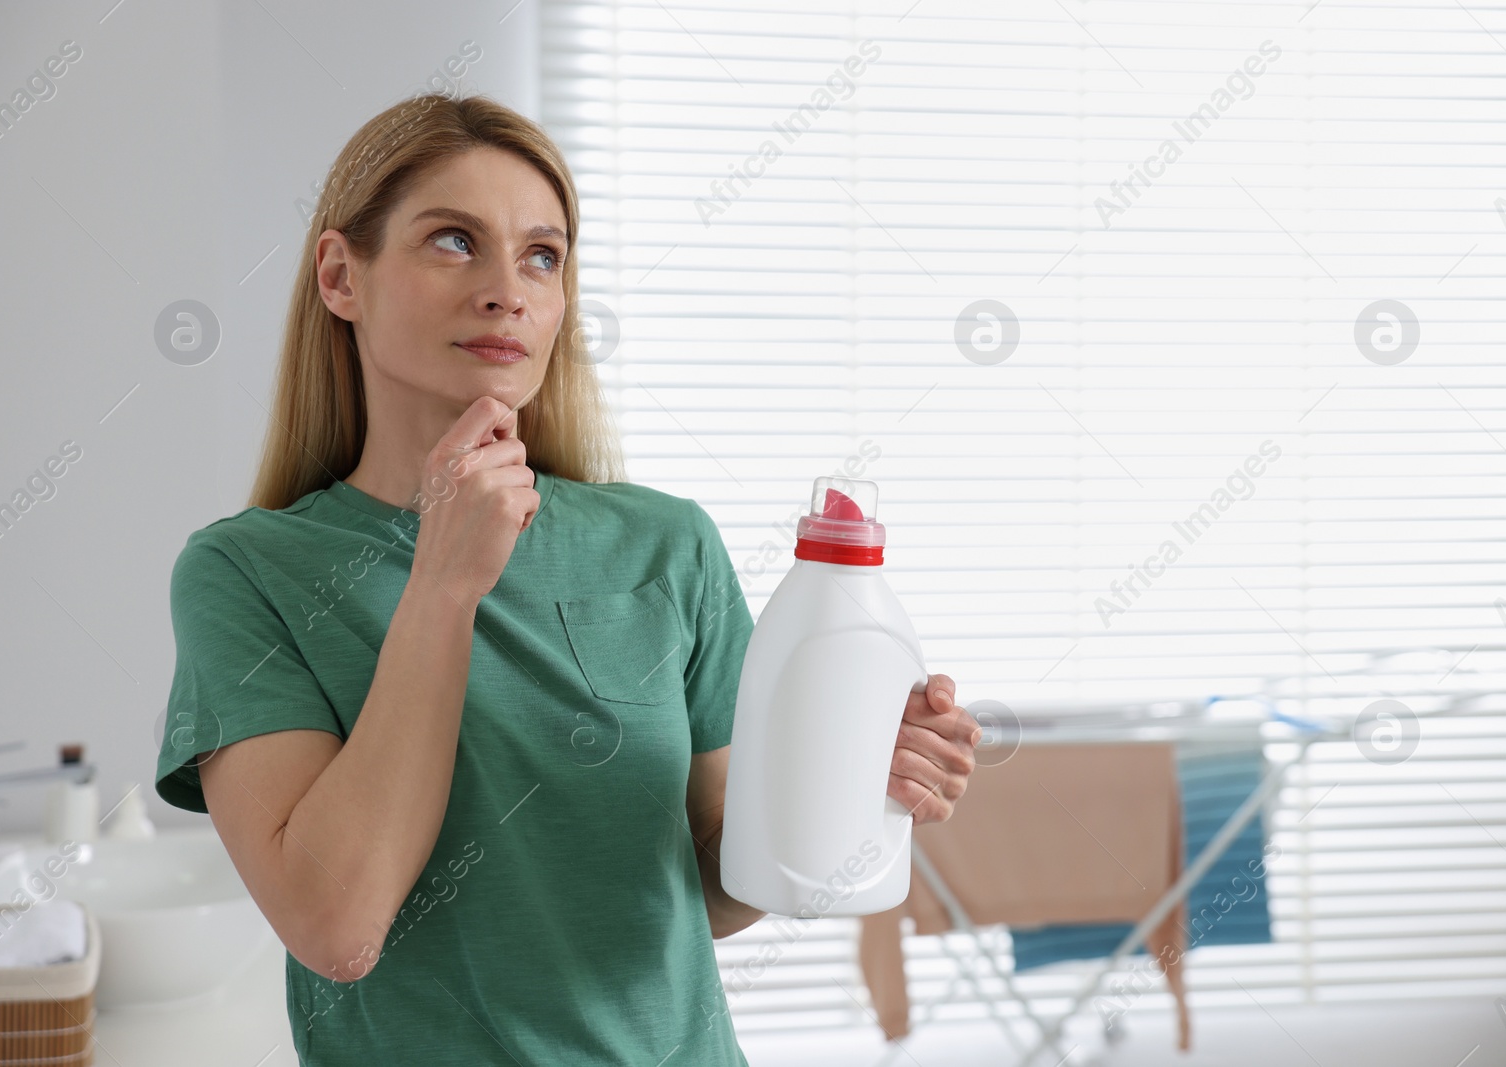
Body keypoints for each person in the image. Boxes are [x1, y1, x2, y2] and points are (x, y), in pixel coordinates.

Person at [154, 91, 982, 1065]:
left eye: (541, 255)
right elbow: (338, 927)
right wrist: (442, 585)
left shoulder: (665, 544)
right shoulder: (246, 571)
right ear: (342, 276)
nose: (508, 287)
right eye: (454, 241)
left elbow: (715, 887)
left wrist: (837, 783)